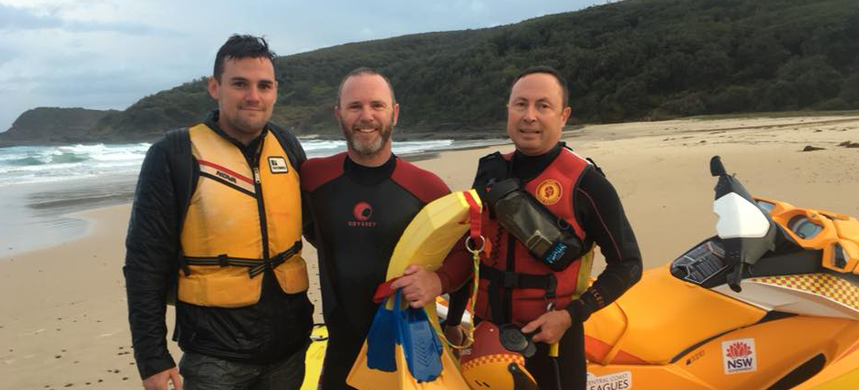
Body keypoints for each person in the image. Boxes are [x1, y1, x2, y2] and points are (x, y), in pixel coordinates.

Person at [124, 34, 313, 390]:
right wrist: (151, 356)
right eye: (239, 84)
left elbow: (322, 229)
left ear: (275, 91)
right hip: (215, 357)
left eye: (264, 85)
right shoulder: (174, 154)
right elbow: (144, 261)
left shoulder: (286, 145)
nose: (253, 96)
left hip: (290, 349)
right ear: (215, 87)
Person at [438, 66, 643, 390]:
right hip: (486, 337)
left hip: (553, 345)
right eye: (520, 104)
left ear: (563, 116)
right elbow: (474, 252)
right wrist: (453, 322)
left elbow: (629, 265)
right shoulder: (490, 173)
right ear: (508, 110)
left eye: (542, 106)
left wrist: (572, 315)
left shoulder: (587, 184)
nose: (529, 116)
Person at [300, 67, 468, 390]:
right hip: (341, 355)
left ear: (395, 112)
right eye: (354, 106)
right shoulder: (313, 178)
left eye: (376, 105)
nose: (366, 116)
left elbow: (467, 252)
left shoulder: (426, 187)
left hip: (409, 348)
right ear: (339, 114)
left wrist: (438, 280)